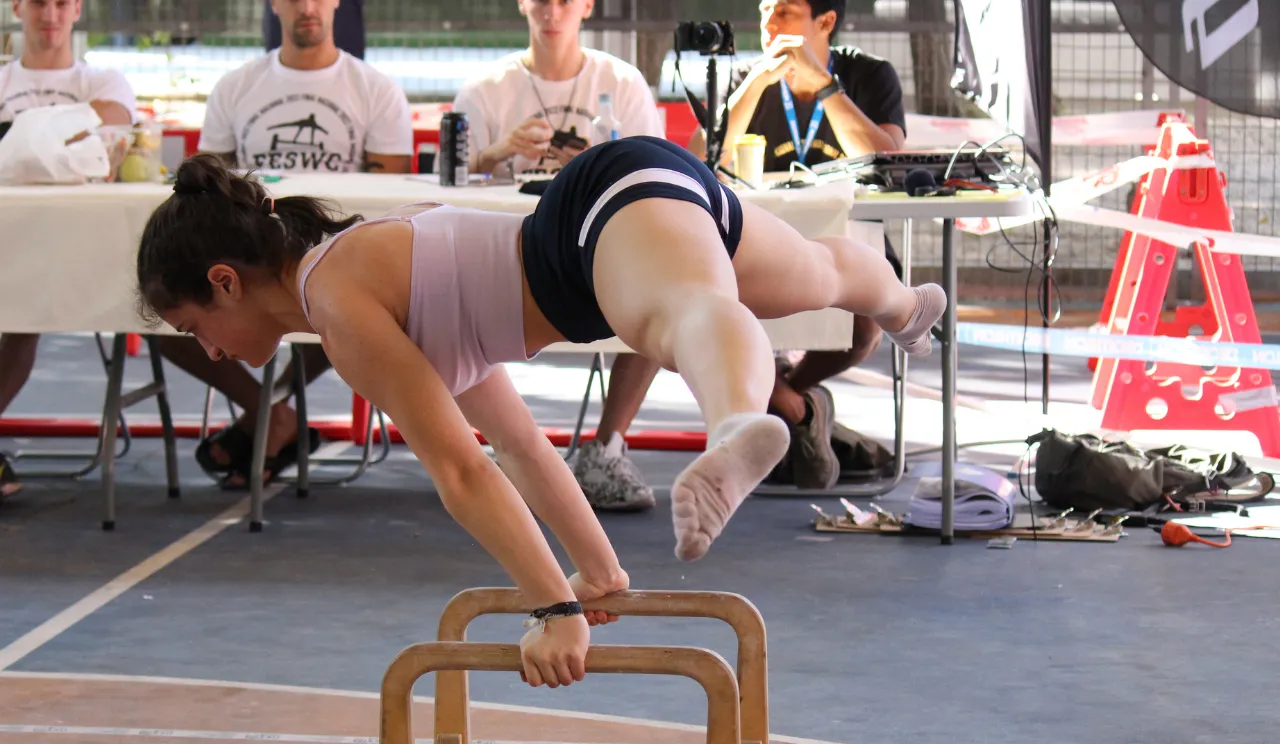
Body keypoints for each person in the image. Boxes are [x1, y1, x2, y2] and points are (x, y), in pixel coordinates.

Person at [135, 139, 943, 688]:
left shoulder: (339, 306)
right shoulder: (357, 276)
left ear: (226, 281)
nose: (206, 351)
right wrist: (595, 573)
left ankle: (735, 425)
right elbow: (517, 444)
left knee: (676, 313)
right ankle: (907, 305)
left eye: (193, 328)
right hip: (628, 197)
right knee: (814, 272)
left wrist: (553, 608)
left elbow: (461, 470)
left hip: (589, 230)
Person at [159, 0, 413, 489]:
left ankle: (265, 420)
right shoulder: (237, 86)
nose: (307, 7)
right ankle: (272, 416)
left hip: (339, 261)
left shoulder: (376, 89)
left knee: (354, 301)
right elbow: (205, 197)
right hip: (248, 264)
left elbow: (389, 198)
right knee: (169, 306)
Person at [453, 0, 666, 512]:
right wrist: (499, 151)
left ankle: (606, 447)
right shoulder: (485, 88)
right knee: (447, 287)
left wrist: (594, 164)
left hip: (601, 250)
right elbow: (452, 177)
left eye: (565, 1)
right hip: (503, 249)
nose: (552, 12)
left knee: (662, 285)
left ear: (586, 6)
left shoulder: (622, 80)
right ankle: (503, 448)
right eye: (541, 1)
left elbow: (653, 175)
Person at [716, 0, 909, 489]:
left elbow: (885, 159)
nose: (768, 25)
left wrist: (825, 89)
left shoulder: (869, 75)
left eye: (783, 12)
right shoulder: (748, 80)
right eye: (762, 11)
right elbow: (707, 162)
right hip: (759, 244)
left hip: (849, 244)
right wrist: (752, 88)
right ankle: (797, 410)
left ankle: (785, 397)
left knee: (862, 333)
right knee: (700, 313)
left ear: (825, 22)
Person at [0, 0, 136, 500]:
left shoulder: (104, 82)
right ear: (18, 7)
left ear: (77, 9)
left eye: (62, 2)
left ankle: (271, 418)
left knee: (24, 307)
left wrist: (15, 141)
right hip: (7, 251)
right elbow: (91, 135)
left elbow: (114, 127)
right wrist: (64, 135)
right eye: (39, 1)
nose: (50, 14)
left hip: (82, 254)